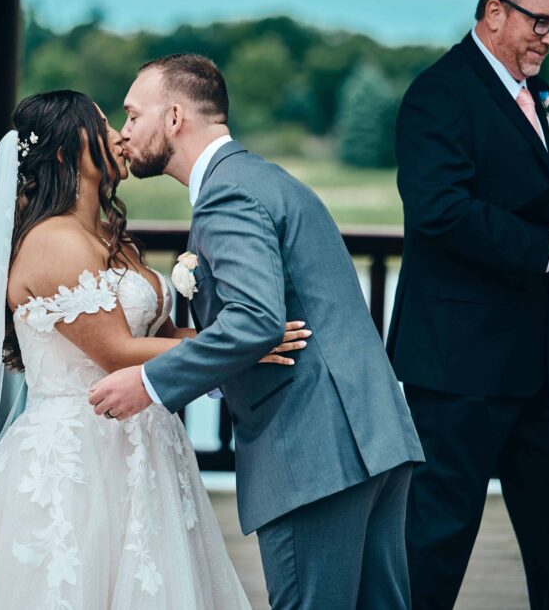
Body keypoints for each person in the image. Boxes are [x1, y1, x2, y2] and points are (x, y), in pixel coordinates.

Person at [0, 89, 311, 609]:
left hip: (145, 443)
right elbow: (119, 352)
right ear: (62, 152)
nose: (120, 134)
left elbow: (161, 339)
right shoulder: (53, 241)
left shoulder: (108, 236)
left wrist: (246, 338)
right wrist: (237, 348)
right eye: (101, 124)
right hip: (79, 455)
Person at [90, 54, 424, 609]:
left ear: (174, 117)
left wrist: (149, 382)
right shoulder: (265, 177)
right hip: (373, 436)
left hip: (314, 452)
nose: (124, 133)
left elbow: (255, 320)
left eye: (132, 114)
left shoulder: (227, 194)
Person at [387, 0, 549, 610]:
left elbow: (540, 206)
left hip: (539, 366)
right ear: (495, 13)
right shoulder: (440, 93)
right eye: (540, 21)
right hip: (460, 365)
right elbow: (441, 212)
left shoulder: (539, 102)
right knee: (435, 542)